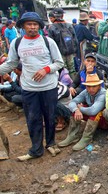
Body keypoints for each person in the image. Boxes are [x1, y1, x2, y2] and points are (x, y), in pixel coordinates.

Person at [0, 12, 64, 161]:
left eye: (35, 24)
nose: (33, 27)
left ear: (39, 27)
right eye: (29, 24)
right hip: (29, 88)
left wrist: (46, 69)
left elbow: (59, 62)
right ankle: (36, 149)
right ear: (23, 26)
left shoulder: (48, 42)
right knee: (33, 119)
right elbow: (11, 63)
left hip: (49, 87)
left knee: (50, 117)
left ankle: (51, 144)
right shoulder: (17, 43)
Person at [58, 73, 107, 151]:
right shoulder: (86, 92)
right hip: (94, 119)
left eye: (94, 86)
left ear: (99, 86)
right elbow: (72, 102)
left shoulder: (103, 93)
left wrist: (80, 108)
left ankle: (86, 138)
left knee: (95, 113)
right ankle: (73, 135)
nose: (91, 89)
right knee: (74, 111)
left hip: (105, 121)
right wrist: (76, 110)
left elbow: (93, 111)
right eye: (88, 86)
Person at [48, 8, 78, 79]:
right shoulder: (69, 26)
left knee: (62, 69)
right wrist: (75, 51)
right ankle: (73, 84)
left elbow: (50, 43)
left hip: (59, 53)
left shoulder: (51, 27)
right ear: (62, 16)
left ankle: (65, 85)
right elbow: (75, 40)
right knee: (72, 69)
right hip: (70, 52)